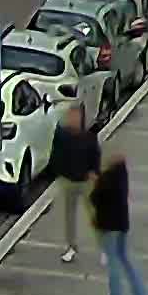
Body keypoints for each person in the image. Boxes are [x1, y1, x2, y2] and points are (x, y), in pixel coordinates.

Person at [91, 150, 148, 295]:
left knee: (113, 264)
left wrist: (96, 182)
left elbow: (96, 198)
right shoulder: (122, 174)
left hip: (109, 225)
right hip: (122, 223)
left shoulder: (107, 177)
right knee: (126, 259)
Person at [48, 99, 102, 263]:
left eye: (77, 115)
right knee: (69, 216)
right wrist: (58, 174)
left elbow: (95, 154)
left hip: (86, 181)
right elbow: (55, 155)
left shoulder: (88, 136)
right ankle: (71, 247)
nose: (73, 118)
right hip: (68, 180)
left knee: (95, 215)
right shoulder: (62, 134)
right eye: (71, 115)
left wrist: (95, 173)